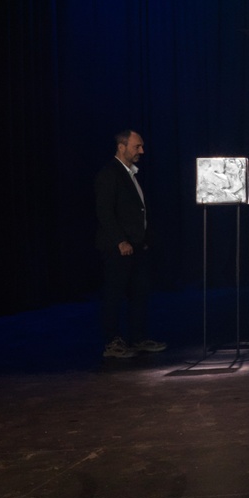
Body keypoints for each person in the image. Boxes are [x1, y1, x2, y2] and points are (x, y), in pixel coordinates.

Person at [93, 129, 166, 360]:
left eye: (142, 146)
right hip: (118, 248)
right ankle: (112, 342)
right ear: (121, 147)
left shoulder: (131, 174)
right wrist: (120, 241)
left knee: (139, 293)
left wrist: (142, 241)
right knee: (114, 295)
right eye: (137, 146)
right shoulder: (109, 174)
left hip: (136, 246)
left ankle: (138, 338)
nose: (141, 151)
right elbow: (104, 212)